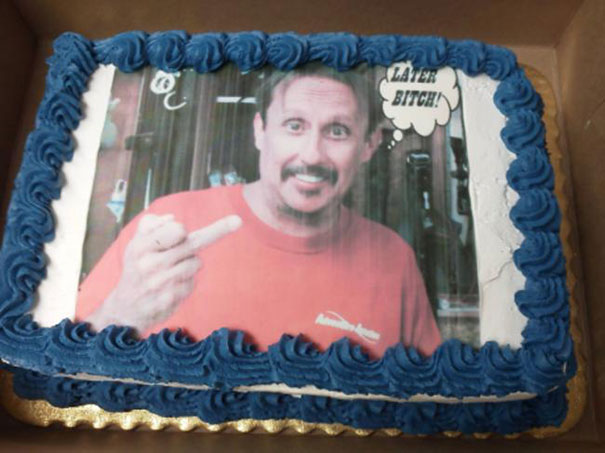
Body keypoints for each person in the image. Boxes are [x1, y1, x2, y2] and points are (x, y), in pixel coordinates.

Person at [76, 64, 441, 358]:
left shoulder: (393, 258)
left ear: (369, 145)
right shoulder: (169, 224)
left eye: (338, 131)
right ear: (260, 131)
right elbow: (64, 360)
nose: (312, 155)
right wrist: (122, 313)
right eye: (294, 126)